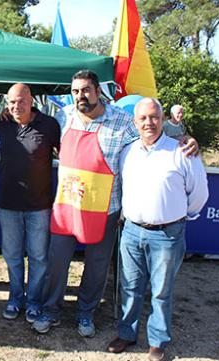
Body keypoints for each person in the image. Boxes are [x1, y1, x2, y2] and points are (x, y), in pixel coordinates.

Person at [33, 70, 199, 338]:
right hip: (67, 206)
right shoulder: (63, 118)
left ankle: (85, 313)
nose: (80, 96)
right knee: (57, 261)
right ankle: (50, 310)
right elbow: (31, 124)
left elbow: (152, 136)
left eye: (86, 90)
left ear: (98, 91)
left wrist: (183, 137)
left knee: (97, 266)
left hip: (105, 209)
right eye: (75, 91)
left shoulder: (122, 121)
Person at [107, 98, 208, 361]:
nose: (149, 123)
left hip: (167, 235)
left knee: (161, 292)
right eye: (143, 118)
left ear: (162, 119)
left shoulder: (182, 151)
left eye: (154, 117)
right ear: (135, 122)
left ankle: (157, 341)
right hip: (130, 232)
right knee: (129, 287)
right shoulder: (128, 151)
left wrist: (179, 216)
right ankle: (127, 334)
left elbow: (199, 192)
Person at [0, 83, 61, 323]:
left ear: (31, 100)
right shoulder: (2, 124)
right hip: (8, 205)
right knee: (12, 255)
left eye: (21, 101)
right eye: (12, 102)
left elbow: (67, 153)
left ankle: (34, 301)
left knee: (38, 257)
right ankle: (15, 298)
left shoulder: (49, 125)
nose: (16, 106)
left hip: (39, 206)